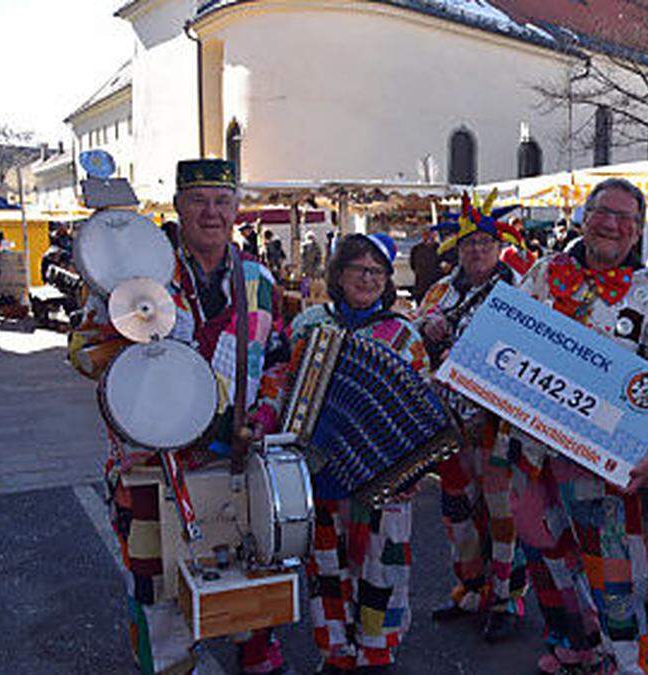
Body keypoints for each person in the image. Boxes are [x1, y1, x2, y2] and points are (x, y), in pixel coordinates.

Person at [68, 159, 292, 675]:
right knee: (156, 589)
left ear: (237, 210)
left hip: (236, 457)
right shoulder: (134, 275)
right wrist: (132, 345)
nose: (211, 213)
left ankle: (258, 661)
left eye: (222, 201)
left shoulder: (257, 278)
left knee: (251, 577)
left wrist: (263, 413)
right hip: (151, 465)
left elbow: (279, 357)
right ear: (177, 207)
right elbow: (82, 351)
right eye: (198, 201)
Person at [505, 178, 648, 674]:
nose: (611, 224)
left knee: (613, 564)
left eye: (625, 218)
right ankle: (576, 643)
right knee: (543, 548)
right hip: (533, 446)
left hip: (606, 455)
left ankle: (630, 658)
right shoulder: (546, 273)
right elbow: (504, 340)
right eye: (602, 212)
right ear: (583, 217)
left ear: (637, 232)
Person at [253, 233, 427, 674]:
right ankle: (336, 652)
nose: (367, 279)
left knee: (382, 566)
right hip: (320, 469)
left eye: (376, 272)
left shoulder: (404, 335)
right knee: (326, 568)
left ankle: (377, 650)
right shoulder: (310, 324)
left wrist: (413, 469)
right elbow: (278, 378)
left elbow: (423, 405)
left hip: (382, 475)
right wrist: (263, 421)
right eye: (358, 269)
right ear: (339, 275)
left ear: (387, 280)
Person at [414, 194, 527, 642]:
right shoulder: (440, 292)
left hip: (498, 424)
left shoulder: (519, 290)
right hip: (449, 422)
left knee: (503, 515)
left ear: (499, 247)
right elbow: (414, 334)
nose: (477, 250)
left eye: (485, 242)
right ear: (457, 250)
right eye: (469, 244)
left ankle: (506, 598)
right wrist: (427, 327)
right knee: (457, 512)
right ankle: (470, 588)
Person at [410, 228, 442, 303]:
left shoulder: (440, 248)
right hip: (421, 287)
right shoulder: (416, 249)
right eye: (426, 234)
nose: (428, 237)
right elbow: (413, 265)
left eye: (431, 234)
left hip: (436, 288)